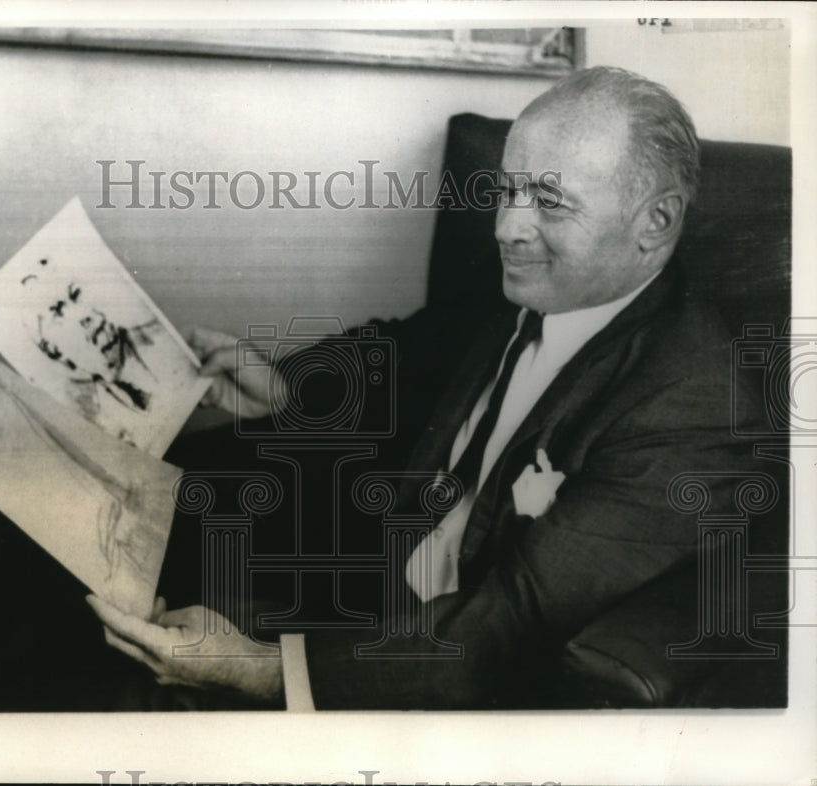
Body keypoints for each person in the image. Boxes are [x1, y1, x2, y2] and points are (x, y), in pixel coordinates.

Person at [87, 66, 759, 709]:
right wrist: (287, 385)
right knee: (98, 605)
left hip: (448, 685)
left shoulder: (695, 403)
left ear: (657, 221)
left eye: (549, 202)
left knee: (134, 698)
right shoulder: (525, 294)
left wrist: (263, 670)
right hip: (362, 606)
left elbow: (508, 625)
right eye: (506, 190)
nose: (505, 228)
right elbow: (399, 350)